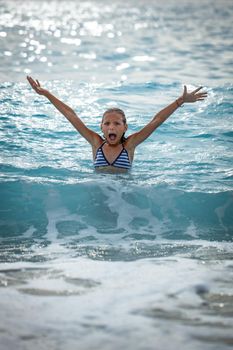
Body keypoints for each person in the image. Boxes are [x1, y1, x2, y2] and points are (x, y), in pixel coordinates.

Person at [26, 76, 207, 173]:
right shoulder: (96, 143)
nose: (111, 127)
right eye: (107, 123)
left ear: (125, 127)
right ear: (101, 127)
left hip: (124, 193)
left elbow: (156, 121)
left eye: (117, 123)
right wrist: (46, 94)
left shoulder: (130, 145)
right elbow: (70, 115)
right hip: (100, 191)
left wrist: (180, 101)